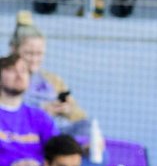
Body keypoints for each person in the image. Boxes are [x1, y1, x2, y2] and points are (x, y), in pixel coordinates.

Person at [10, 11, 96, 141]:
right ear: (13, 49)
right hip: (22, 134)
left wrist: (68, 110)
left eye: (39, 54)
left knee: (89, 129)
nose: (34, 59)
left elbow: (79, 115)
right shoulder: (6, 78)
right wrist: (41, 112)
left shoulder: (53, 80)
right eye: (29, 53)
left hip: (57, 134)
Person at [0, 53, 55, 166]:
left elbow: (57, 149)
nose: (19, 75)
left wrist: (83, 149)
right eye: (12, 70)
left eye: (23, 70)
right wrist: (11, 165)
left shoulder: (39, 116)